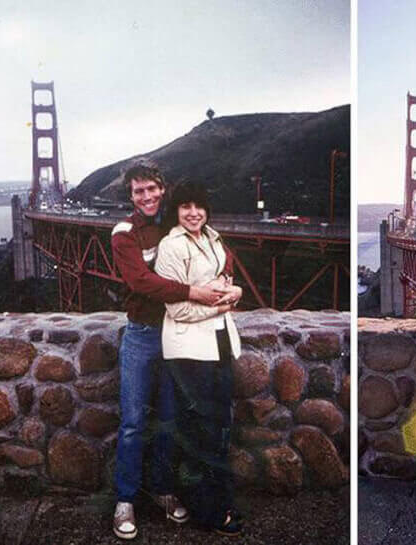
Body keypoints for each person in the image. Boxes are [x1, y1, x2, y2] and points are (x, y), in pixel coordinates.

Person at [111, 163, 230, 540]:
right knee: (132, 421)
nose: (146, 196)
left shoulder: (177, 224)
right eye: (138, 191)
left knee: (168, 420)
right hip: (143, 334)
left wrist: (228, 284)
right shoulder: (124, 232)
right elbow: (141, 281)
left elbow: (215, 256)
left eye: (151, 189)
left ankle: (163, 490)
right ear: (130, 196)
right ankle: (125, 499)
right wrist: (195, 293)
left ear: (162, 189)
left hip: (179, 334)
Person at [154, 182, 244, 536]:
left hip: (220, 343)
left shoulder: (212, 237)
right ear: (175, 211)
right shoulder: (170, 247)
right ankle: (210, 512)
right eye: (185, 206)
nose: (193, 213)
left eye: (199, 206)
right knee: (204, 432)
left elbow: (225, 280)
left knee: (218, 428)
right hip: (189, 349)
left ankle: (216, 502)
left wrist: (233, 292)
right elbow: (176, 308)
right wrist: (220, 303)